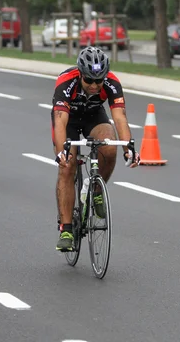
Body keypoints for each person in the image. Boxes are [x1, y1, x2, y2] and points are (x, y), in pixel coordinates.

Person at [51, 46, 140, 251]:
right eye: (89, 80)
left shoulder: (111, 82)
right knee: (67, 166)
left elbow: (119, 117)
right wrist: (61, 152)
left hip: (93, 116)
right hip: (68, 120)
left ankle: (96, 189)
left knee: (109, 145)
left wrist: (129, 148)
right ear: (81, 74)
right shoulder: (66, 82)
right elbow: (60, 121)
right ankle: (66, 229)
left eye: (98, 81)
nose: (94, 85)